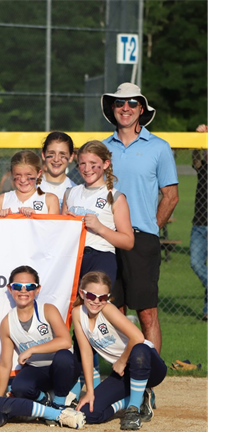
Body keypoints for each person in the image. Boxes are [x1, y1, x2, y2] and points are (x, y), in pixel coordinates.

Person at [100, 82, 177, 355]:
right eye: (120, 103)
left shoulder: (159, 147)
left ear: (141, 109)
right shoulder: (101, 149)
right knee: (114, 311)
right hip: (107, 239)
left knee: (147, 313)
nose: (126, 108)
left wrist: (150, 229)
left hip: (141, 238)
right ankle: (125, 378)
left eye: (133, 103)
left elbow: (170, 196)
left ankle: (150, 381)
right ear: (112, 107)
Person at [63, 140, 135, 397]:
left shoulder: (115, 196)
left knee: (94, 317)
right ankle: (78, 382)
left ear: (105, 164)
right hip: (74, 258)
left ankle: (130, 372)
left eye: (94, 164)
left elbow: (127, 240)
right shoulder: (71, 193)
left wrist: (101, 228)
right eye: (82, 163)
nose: (87, 168)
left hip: (102, 257)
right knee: (74, 319)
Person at [71, 271, 165, 430]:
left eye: (102, 297)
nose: (96, 301)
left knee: (139, 350)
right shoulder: (78, 314)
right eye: (91, 296)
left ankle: (133, 411)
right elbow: (86, 353)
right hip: (124, 372)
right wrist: (90, 392)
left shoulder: (107, 309)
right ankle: (138, 399)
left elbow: (138, 337)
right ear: (82, 293)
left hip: (148, 367)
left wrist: (122, 361)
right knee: (90, 413)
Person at [0, 266, 78, 410]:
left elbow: (65, 341)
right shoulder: (6, 323)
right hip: (37, 370)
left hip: (62, 369)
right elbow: (5, 365)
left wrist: (32, 350)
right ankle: (45, 399)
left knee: (64, 357)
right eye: (18, 286)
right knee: (19, 387)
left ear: (37, 290)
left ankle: (59, 404)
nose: (23, 290)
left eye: (30, 287)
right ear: (10, 289)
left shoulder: (48, 310)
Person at [0, 151, 61, 216]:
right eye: (18, 175)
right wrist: (3, 219)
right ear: (12, 174)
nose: (23, 180)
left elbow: (53, 226)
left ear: (38, 173)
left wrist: (35, 217)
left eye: (28, 175)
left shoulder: (50, 200)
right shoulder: (2, 200)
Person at [191, 124, 208, 322]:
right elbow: (195, 158)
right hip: (199, 224)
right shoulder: (202, 168)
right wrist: (198, 140)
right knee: (196, 263)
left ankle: (206, 310)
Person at [39, 132, 77, 211]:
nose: (56, 159)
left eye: (62, 154)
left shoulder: (75, 191)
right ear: (43, 155)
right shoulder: (31, 187)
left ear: (71, 157)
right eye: (51, 154)